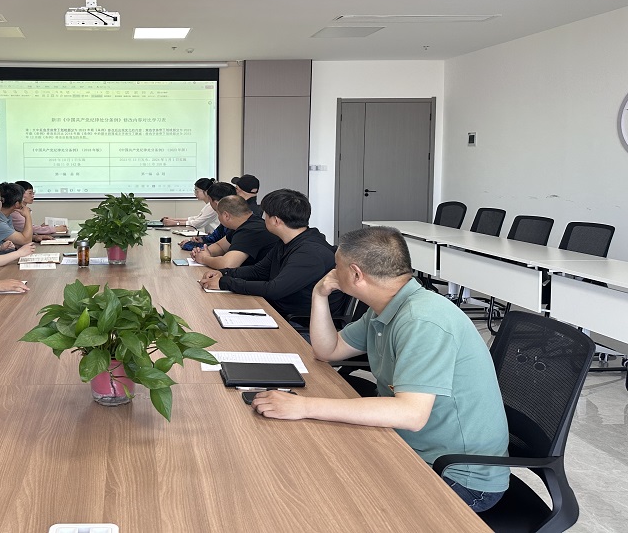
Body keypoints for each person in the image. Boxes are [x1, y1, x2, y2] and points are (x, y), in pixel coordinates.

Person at [251, 226, 510, 513]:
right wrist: (319, 295)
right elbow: (328, 351)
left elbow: (410, 414)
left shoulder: (422, 320)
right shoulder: (387, 307)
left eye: (336, 265)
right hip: (409, 446)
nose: (331, 271)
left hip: (458, 476)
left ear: (356, 274)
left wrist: (304, 406)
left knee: (328, 500)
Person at [200, 189, 343, 321]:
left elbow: (274, 289)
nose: (263, 219)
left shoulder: (310, 252)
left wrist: (225, 283)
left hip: (297, 323)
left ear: (275, 220)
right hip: (278, 311)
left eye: (266, 215)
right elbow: (258, 271)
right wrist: (223, 273)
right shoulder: (287, 242)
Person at [190, 195, 278, 269]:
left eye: (218, 214)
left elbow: (227, 265)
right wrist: (202, 252)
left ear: (226, 216)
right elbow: (220, 246)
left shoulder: (251, 230)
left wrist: (204, 259)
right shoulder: (244, 223)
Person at [180, 181, 236, 250]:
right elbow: (215, 237)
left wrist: (190, 245)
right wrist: (203, 239)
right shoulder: (229, 217)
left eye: (210, 200)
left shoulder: (232, 223)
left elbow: (220, 246)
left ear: (216, 203)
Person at [0, 182, 34, 247]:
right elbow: (26, 241)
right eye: (22, 199)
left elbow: (15, 241)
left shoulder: (7, 216)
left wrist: (34, 237)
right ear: (17, 204)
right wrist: (27, 215)